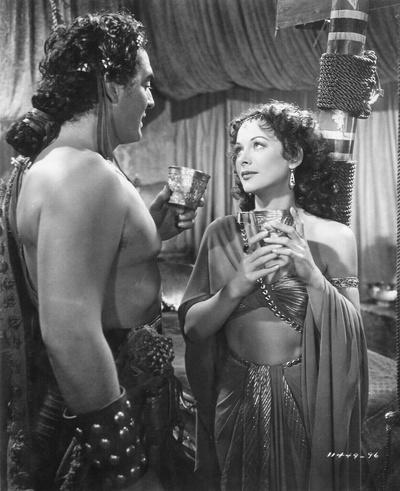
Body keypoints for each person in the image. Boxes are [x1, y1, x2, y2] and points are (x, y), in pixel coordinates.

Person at [0, 10, 199, 491]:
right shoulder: (82, 174)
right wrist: (128, 470)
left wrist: (147, 231)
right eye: (145, 83)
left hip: (113, 398)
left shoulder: (67, 163)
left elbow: (91, 268)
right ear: (111, 86)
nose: (151, 98)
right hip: (102, 419)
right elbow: (70, 334)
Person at [179, 101, 369, 491]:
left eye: (258, 145)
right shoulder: (220, 234)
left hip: (308, 398)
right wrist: (236, 286)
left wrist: (313, 276)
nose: (243, 159)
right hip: (236, 397)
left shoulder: (334, 237)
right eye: (238, 149)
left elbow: (353, 336)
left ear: (294, 155)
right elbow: (194, 330)